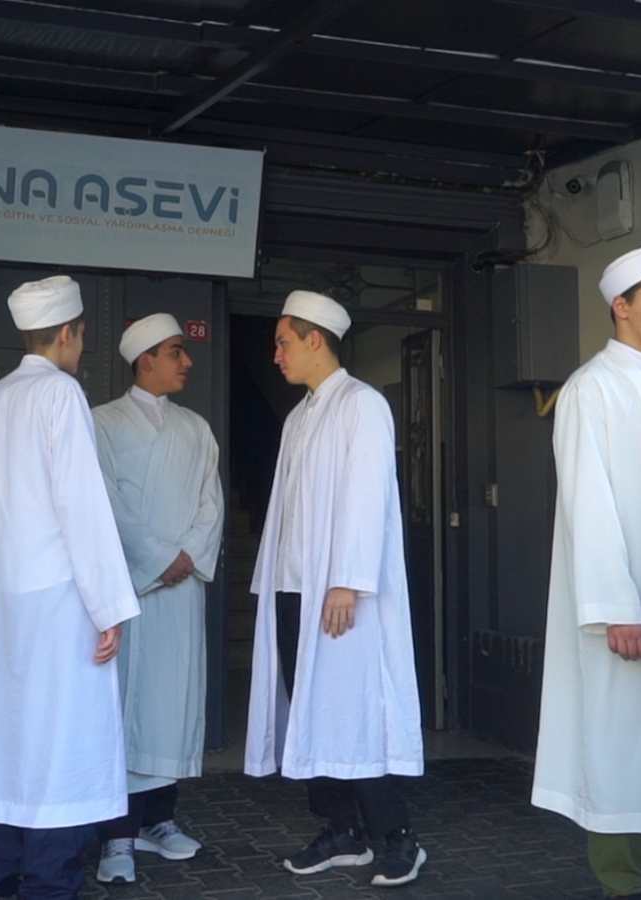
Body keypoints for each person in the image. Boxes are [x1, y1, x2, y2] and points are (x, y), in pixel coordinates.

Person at [246, 290, 426, 888]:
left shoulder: (361, 404)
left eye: (283, 343)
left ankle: (399, 838)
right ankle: (342, 831)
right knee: (313, 710)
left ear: (314, 339)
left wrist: (348, 580)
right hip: (296, 590)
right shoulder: (299, 415)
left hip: (341, 593)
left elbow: (366, 496)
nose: (276, 355)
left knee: (355, 710)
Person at [0, 275, 140, 900]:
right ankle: (47, 884)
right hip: (59, 602)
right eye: (82, 335)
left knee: (10, 746)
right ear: (67, 333)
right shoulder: (61, 393)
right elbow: (81, 506)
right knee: (62, 749)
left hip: (4, 602)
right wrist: (108, 605)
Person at [531, 247, 641, 900]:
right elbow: (587, 504)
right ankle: (623, 886)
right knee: (629, 751)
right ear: (620, 307)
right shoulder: (590, 388)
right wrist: (616, 607)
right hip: (631, 612)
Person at [91, 313, 225, 884]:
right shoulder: (101, 423)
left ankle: (158, 820)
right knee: (125, 706)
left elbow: (211, 503)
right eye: (176, 351)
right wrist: (156, 559)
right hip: (129, 589)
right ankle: (116, 834)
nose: (187, 361)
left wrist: (187, 555)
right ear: (144, 359)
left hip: (180, 590)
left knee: (171, 703)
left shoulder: (196, 428)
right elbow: (102, 503)